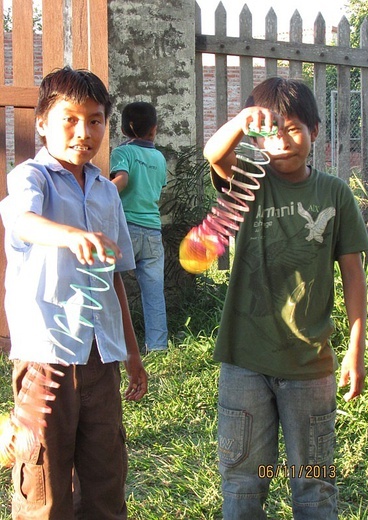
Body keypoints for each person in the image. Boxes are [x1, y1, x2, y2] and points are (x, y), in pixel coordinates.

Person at [203, 77, 368, 520]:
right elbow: (214, 155)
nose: (282, 140)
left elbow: (353, 276)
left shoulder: (334, 194)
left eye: (293, 128)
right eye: (271, 130)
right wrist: (242, 122)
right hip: (245, 359)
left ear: (315, 131)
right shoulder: (249, 183)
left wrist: (355, 349)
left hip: (310, 365)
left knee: (313, 481)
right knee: (242, 481)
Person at [0, 66, 148, 519]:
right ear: (42, 123)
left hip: (102, 358)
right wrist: (68, 235)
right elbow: (22, 220)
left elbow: (116, 276)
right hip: (47, 356)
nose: (84, 132)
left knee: (106, 474)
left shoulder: (106, 192)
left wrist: (132, 352)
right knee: (44, 482)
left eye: (96, 120)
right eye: (70, 119)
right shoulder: (32, 178)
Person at [110, 101, 168, 353]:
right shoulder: (159, 157)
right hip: (153, 231)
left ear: (123, 130)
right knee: (154, 292)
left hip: (127, 230)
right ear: (154, 129)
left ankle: (113, 342)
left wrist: (97, 194)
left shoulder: (122, 153)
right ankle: (157, 347)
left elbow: (121, 180)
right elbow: (157, 187)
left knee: (108, 284)